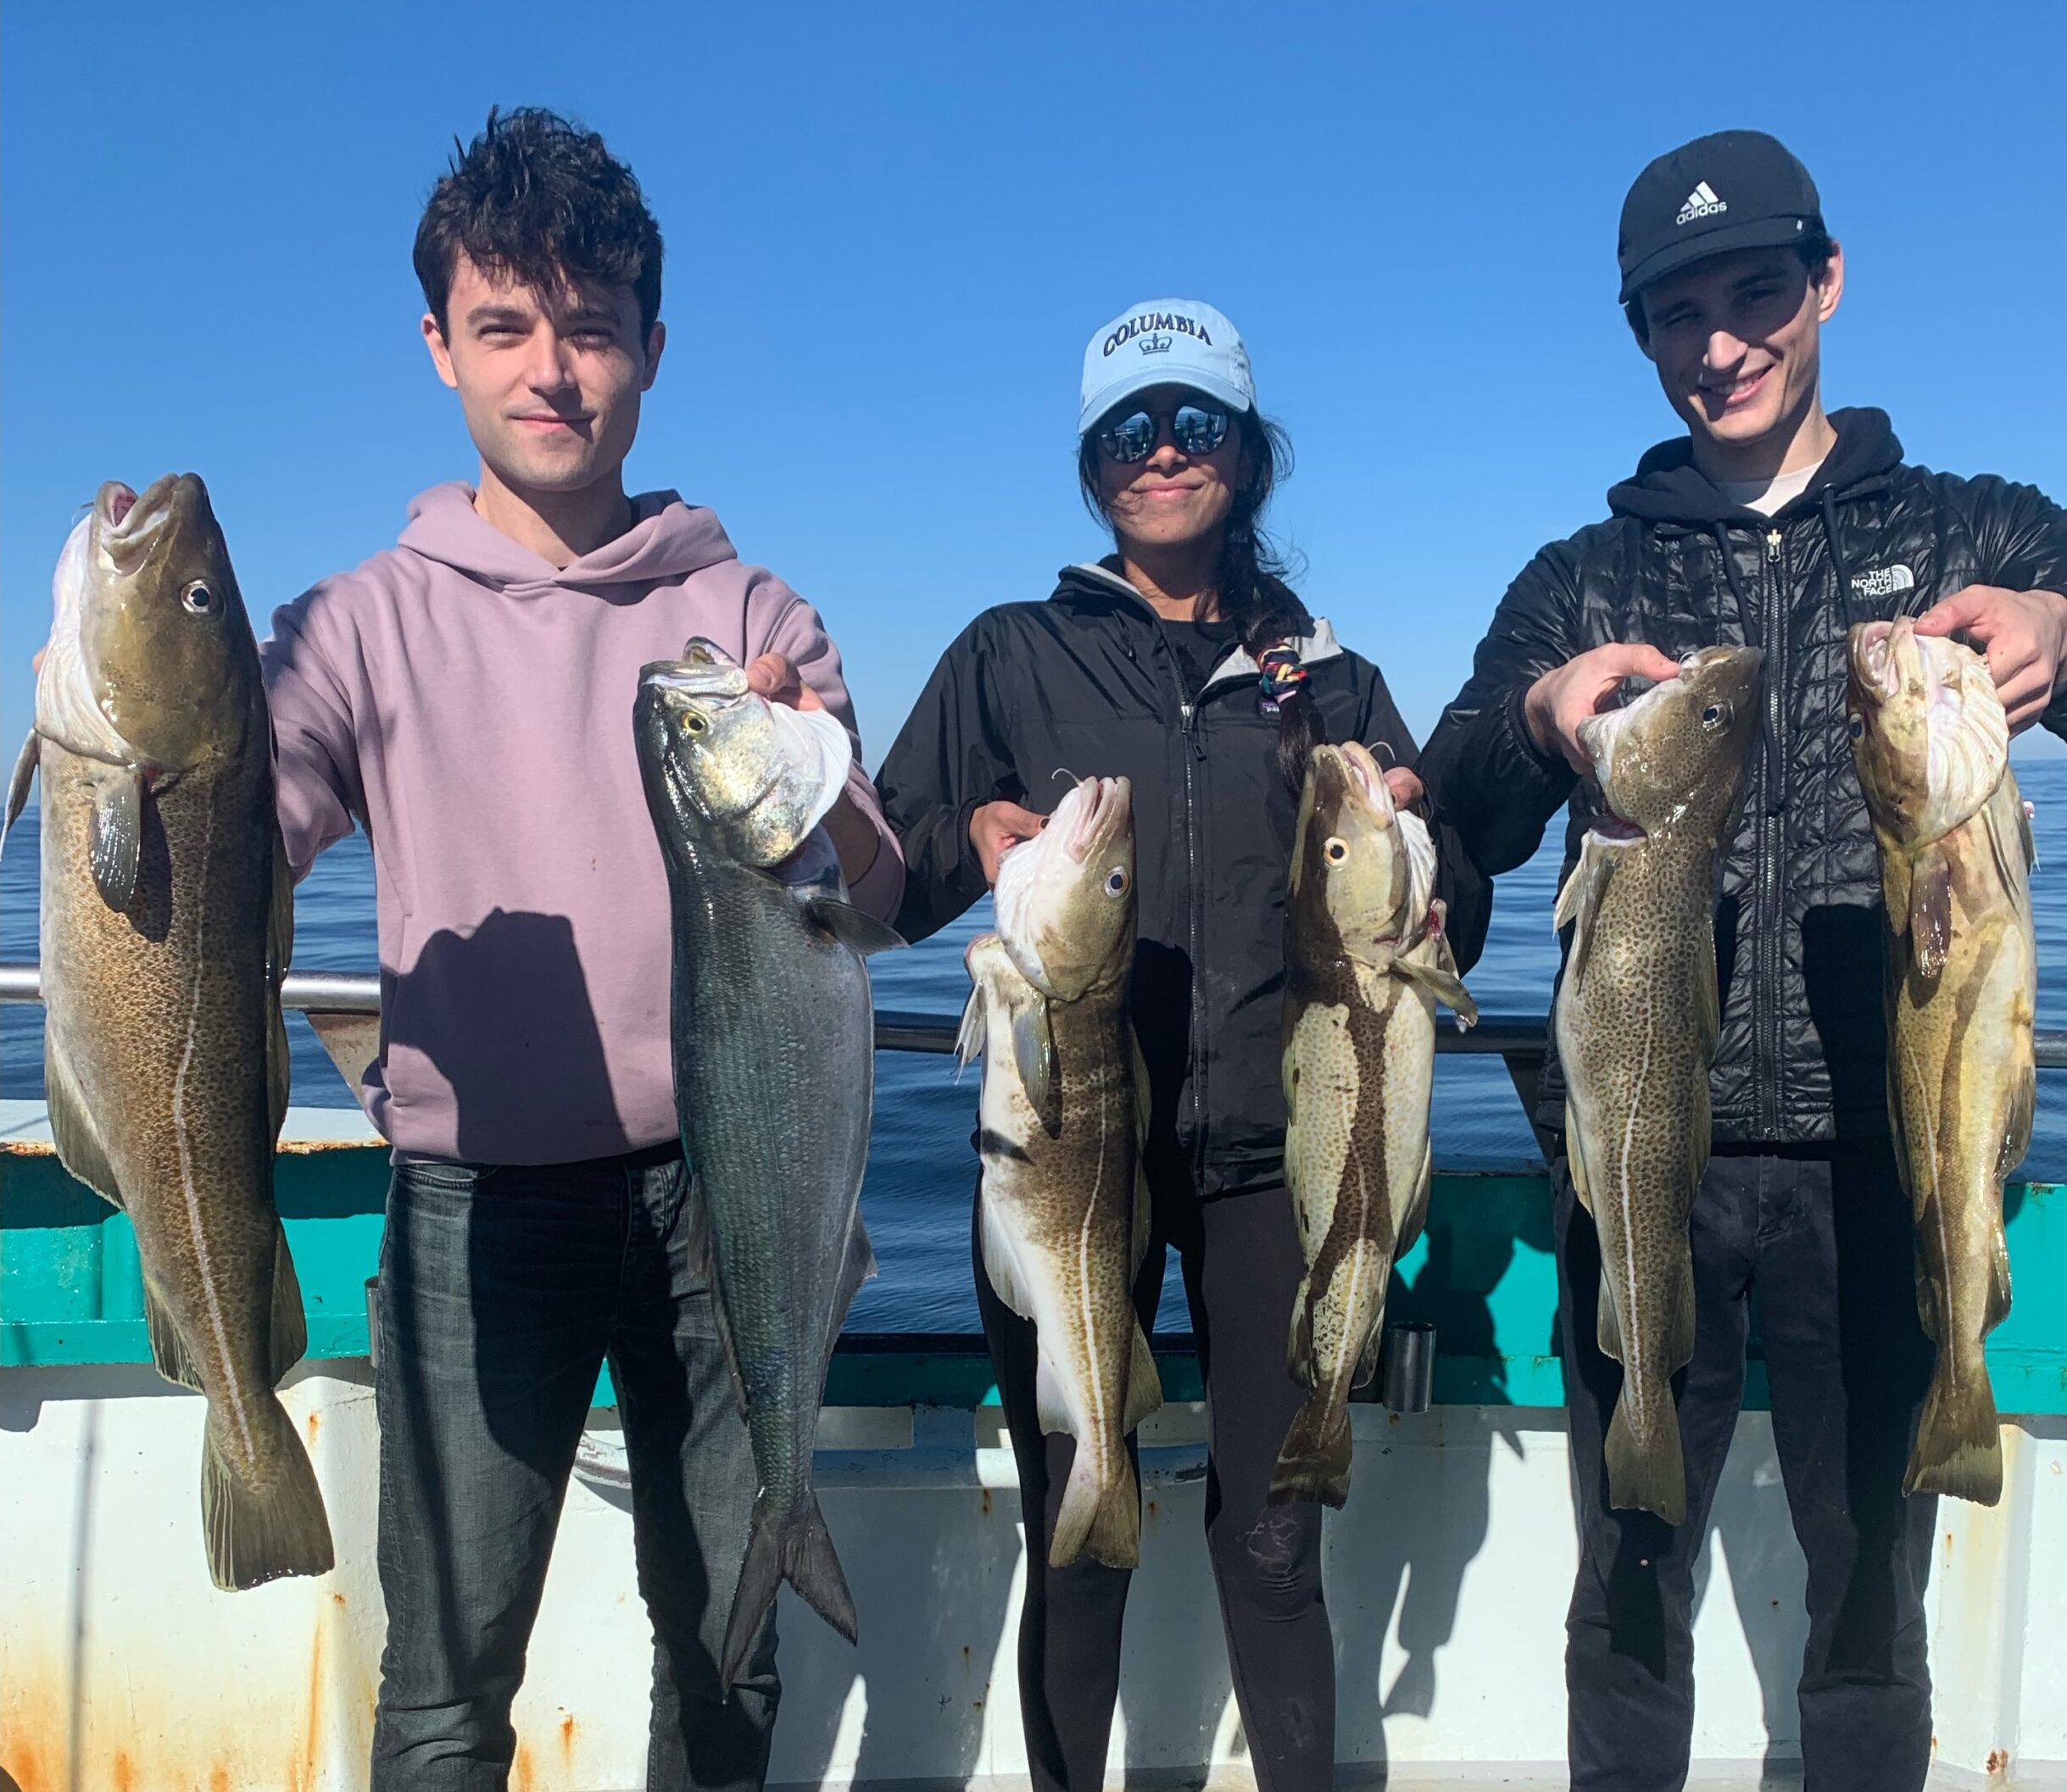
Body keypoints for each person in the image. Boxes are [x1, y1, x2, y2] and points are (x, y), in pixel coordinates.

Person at [1420, 130, 2067, 1792]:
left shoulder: (1972, 524)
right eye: (1672, 314)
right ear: (1638, 336)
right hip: (1644, 1158)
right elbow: (1454, 805)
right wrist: (1536, 716)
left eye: (1754, 291)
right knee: (1628, 1592)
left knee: (1868, 1605)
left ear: (1826, 283)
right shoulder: (1582, 577)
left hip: (1885, 1158)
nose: (1718, 343)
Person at [260, 108, 902, 1789]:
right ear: (439, 346)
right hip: (475, 1204)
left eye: (592, 328)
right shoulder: (354, 625)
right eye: (505, 326)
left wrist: (805, 763)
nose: (552, 370)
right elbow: (242, 829)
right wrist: (135, 745)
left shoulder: (747, 611)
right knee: (444, 1684)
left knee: (727, 1662)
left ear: (651, 349)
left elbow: (877, 880)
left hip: (730, 1183)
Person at [878, 299, 1489, 1791]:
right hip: (1067, 1156)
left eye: (1195, 423)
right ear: (1092, 467)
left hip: (1274, 1166)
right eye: (1126, 432)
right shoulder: (1010, 654)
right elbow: (885, 873)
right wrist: (967, 836)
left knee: (1275, 1542)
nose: (1161, 453)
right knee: (1077, 1536)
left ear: (1248, 452)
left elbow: (1456, 905)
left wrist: (1425, 857)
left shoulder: (1327, 676)